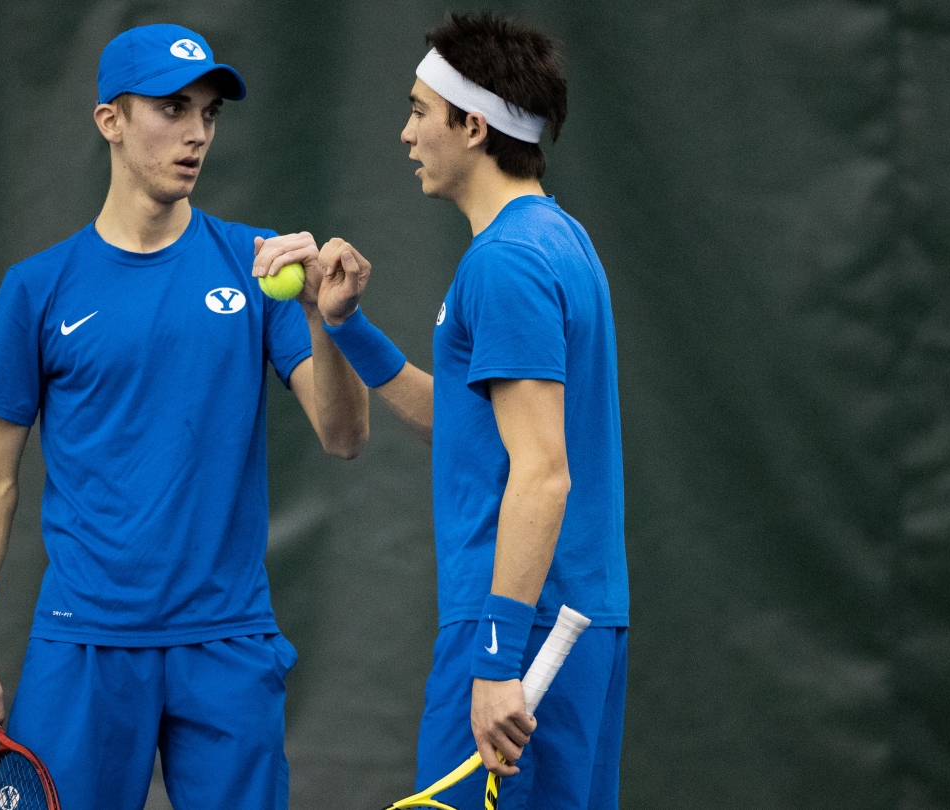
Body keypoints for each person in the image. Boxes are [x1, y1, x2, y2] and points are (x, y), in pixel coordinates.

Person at [0, 24, 368, 810]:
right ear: (111, 120)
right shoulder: (36, 289)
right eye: (173, 109)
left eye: (209, 113)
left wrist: (325, 321)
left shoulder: (260, 264)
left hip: (229, 640)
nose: (197, 132)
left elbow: (344, 437)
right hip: (85, 640)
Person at [313, 12, 629, 810]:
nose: (406, 132)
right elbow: (462, 419)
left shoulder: (506, 264)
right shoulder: (558, 241)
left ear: (473, 126)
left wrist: (493, 658)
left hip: (517, 631)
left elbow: (544, 475)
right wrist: (346, 327)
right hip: (565, 623)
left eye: (421, 111)